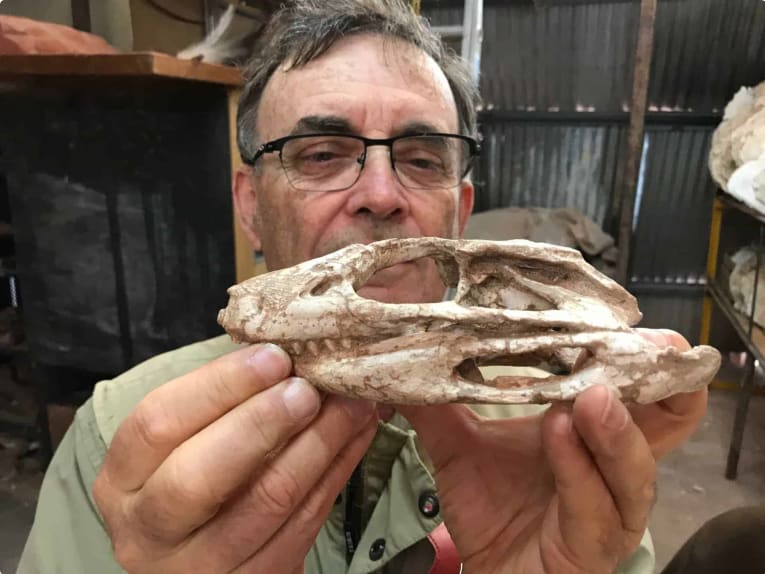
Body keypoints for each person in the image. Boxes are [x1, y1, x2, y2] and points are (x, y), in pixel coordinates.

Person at [17, 1, 707, 572]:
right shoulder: (121, 439)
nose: (380, 194)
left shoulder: (560, 440)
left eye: (419, 158)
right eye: (320, 155)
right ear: (250, 205)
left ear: (460, 214)